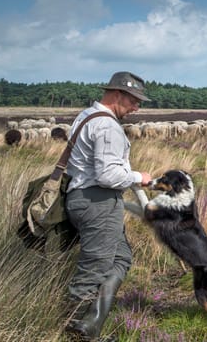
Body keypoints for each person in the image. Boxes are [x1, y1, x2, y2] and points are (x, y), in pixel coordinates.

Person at [63, 71, 153, 341]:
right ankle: (75, 330)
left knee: (121, 257)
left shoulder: (85, 116)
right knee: (94, 269)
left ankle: (91, 324)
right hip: (97, 202)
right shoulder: (107, 126)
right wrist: (139, 177)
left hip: (84, 197)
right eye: (134, 101)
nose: (137, 108)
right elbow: (107, 175)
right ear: (117, 95)